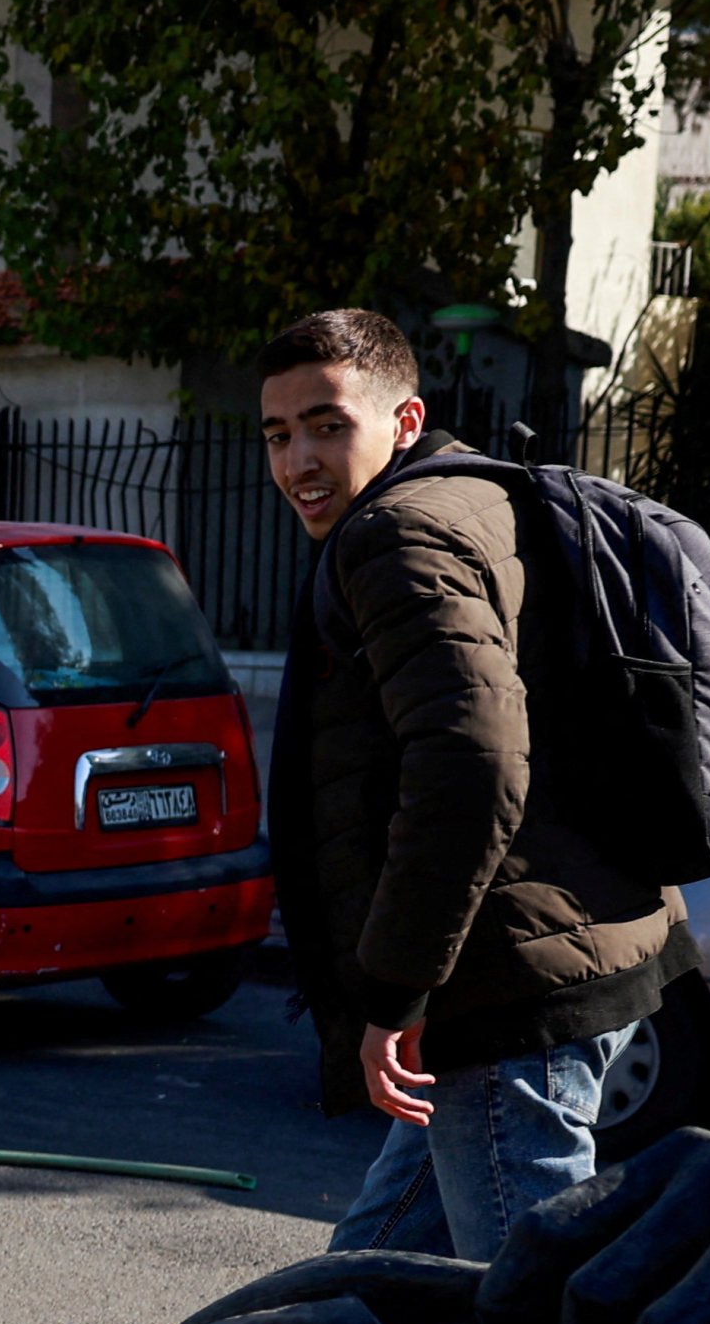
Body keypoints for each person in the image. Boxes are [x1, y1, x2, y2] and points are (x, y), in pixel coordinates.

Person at [256, 306, 686, 1262]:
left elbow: (470, 764)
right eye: (278, 434)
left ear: (403, 422)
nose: (298, 463)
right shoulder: (481, 496)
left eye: (328, 423)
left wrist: (393, 993)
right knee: (367, 1279)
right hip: (572, 937)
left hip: (500, 989)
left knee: (524, 1305)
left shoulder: (394, 538)